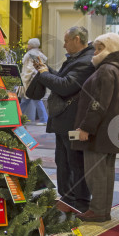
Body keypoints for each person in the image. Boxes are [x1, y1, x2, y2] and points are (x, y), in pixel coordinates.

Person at [26, 26, 95, 212]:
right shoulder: (77, 59)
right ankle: (68, 199)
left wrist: (44, 73)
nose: (64, 45)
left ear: (77, 39)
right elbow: (63, 79)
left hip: (74, 122)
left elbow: (65, 86)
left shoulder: (86, 62)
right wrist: (47, 70)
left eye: (66, 41)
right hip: (64, 121)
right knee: (63, 161)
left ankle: (80, 203)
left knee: (75, 163)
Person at [71, 33, 119, 222]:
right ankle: (102, 210)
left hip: (99, 131)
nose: (95, 52)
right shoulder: (116, 69)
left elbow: (98, 103)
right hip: (109, 131)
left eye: (99, 48)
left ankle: (98, 211)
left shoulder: (105, 70)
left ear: (110, 48)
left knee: (96, 173)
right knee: (105, 172)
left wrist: (86, 128)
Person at [20, 38, 48, 126]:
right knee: (26, 100)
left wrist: (24, 78)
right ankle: (17, 118)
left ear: (32, 45)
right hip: (34, 81)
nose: (27, 46)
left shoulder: (31, 54)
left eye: (29, 44)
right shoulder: (38, 54)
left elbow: (29, 68)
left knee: (34, 100)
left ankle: (44, 119)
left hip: (30, 82)